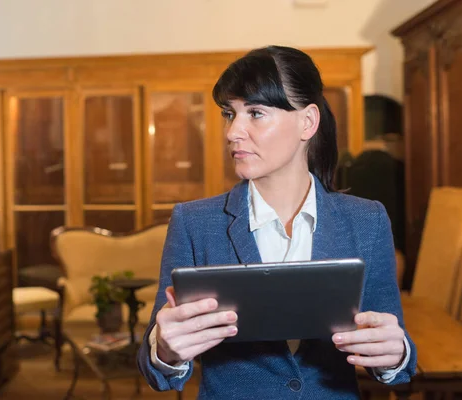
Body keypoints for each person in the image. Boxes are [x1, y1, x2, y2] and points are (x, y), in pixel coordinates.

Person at [137, 45, 417, 399]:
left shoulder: (368, 220)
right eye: (229, 113)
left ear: (307, 122)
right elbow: (156, 370)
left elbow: (398, 361)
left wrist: (395, 354)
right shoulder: (193, 223)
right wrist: (165, 350)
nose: (233, 131)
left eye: (255, 113)